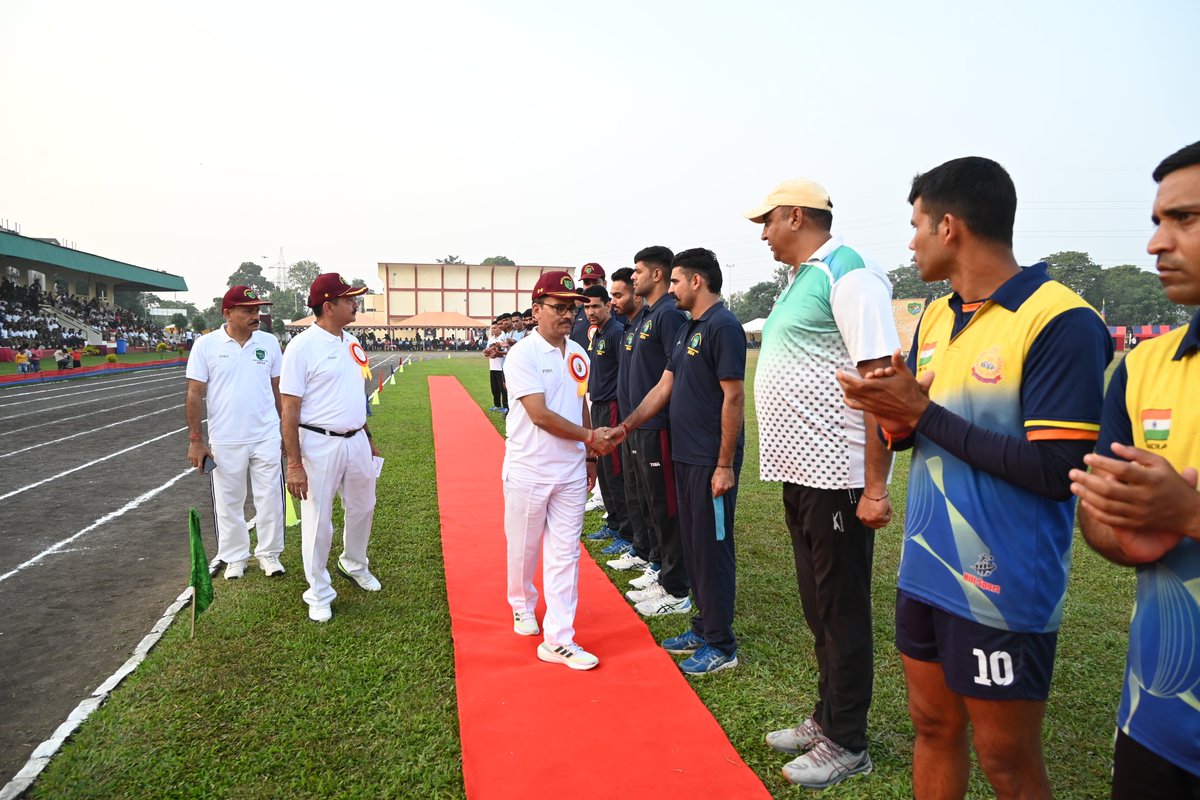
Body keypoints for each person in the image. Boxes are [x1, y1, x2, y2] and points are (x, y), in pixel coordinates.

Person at [838, 157, 1112, 798]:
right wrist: (894, 415)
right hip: (927, 564)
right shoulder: (935, 316)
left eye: (916, 226)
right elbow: (914, 432)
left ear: (950, 226)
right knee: (931, 726)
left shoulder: (1060, 320)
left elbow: (1057, 471)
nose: (910, 241)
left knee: (1006, 759)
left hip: (1003, 578)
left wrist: (919, 412)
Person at [745, 178, 898, 788]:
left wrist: (875, 487)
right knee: (818, 606)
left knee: (841, 610)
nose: (762, 235)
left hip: (837, 474)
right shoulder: (800, 280)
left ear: (795, 215)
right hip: (800, 473)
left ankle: (848, 741)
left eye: (767, 223)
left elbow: (881, 376)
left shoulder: (849, 272)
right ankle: (826, 716)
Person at [1071, 141, 1200, 798]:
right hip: (1158, 715)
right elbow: (1101, 523)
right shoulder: (1143, 367)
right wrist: (1124, 531)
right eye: (1157, 220)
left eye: (1187, 219)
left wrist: (1190, 515)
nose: (1157, 243)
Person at [602, 248, 746, 675]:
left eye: (679, 281)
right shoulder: (689, 329)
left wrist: (723, 464)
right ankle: (703, 629)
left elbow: (734, 397)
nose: (674, 289)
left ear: (696, 281)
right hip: (683, 454)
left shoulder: (723, 326)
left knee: (713, 548)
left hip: (709, 459)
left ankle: (721, 644)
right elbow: (664, 387)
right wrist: (625, 427)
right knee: (694, 545)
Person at [502, 270, 600, 670]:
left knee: (565, 555)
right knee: (523, 549)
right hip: (529, 468)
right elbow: (539, 415)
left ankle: (559, 638)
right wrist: (591, 439)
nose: (567, 315)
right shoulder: (522, 354)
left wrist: (589, 453)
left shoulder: (578, 353)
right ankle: (522, 603)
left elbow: (581, 404)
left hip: (572, 471)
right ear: (536, 310)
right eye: (558, 308)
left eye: (571, 308)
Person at [281, 273, 382, 623]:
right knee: (318, 519)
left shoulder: (351, 341)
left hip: (355, 440)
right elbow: (290, 408)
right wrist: (294, 463)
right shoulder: (300, 347)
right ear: (328, 306)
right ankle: (318, 591)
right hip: (318, 443)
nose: (356, 304)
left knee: (363, 506)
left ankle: (354, 563)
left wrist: (367, 436)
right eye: (349, 299)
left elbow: (355, 394)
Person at [185, 286, 286, 580]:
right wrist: (196, 441)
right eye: (248, 310)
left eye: (257, 310)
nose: (256, 316)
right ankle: (235, 557)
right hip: (225, 438)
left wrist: (286, 431)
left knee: (270, 498)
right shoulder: (205, 346)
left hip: (266, 435)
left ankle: (269, 555)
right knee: (229, 501)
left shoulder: (268, 342)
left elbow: (278, 389)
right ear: (227, 313)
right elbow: (194, 394)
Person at [581, 284, 634, 555]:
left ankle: (626, 531)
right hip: (598, 403)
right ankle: (614, 524)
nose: (590, 311)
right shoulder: (598, 335)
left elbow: (623, 373)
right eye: (587, 306)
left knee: (615, 471)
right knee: (604, 470)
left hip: (612, 405)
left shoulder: (615, 333)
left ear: (607, 306)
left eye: (595, 306)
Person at [570, 263, 604, 349]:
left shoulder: (617, 309)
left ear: (605, 283)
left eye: (596, 282)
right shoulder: (578, 312)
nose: (591, 286)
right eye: (587, 283)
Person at [484, 320, 508, 412]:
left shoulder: (503, 337)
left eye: (495, 328)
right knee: (494, 388)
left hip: (501, 367)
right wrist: (486, 352)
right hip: (492, 367)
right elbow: (488, 350)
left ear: (499, 328)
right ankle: (496, 405)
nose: (493, 330)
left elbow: (505, 352)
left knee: (503, 389)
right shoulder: (491, 338)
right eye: (492, 328)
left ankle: (505, 406)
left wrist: (497, 353)